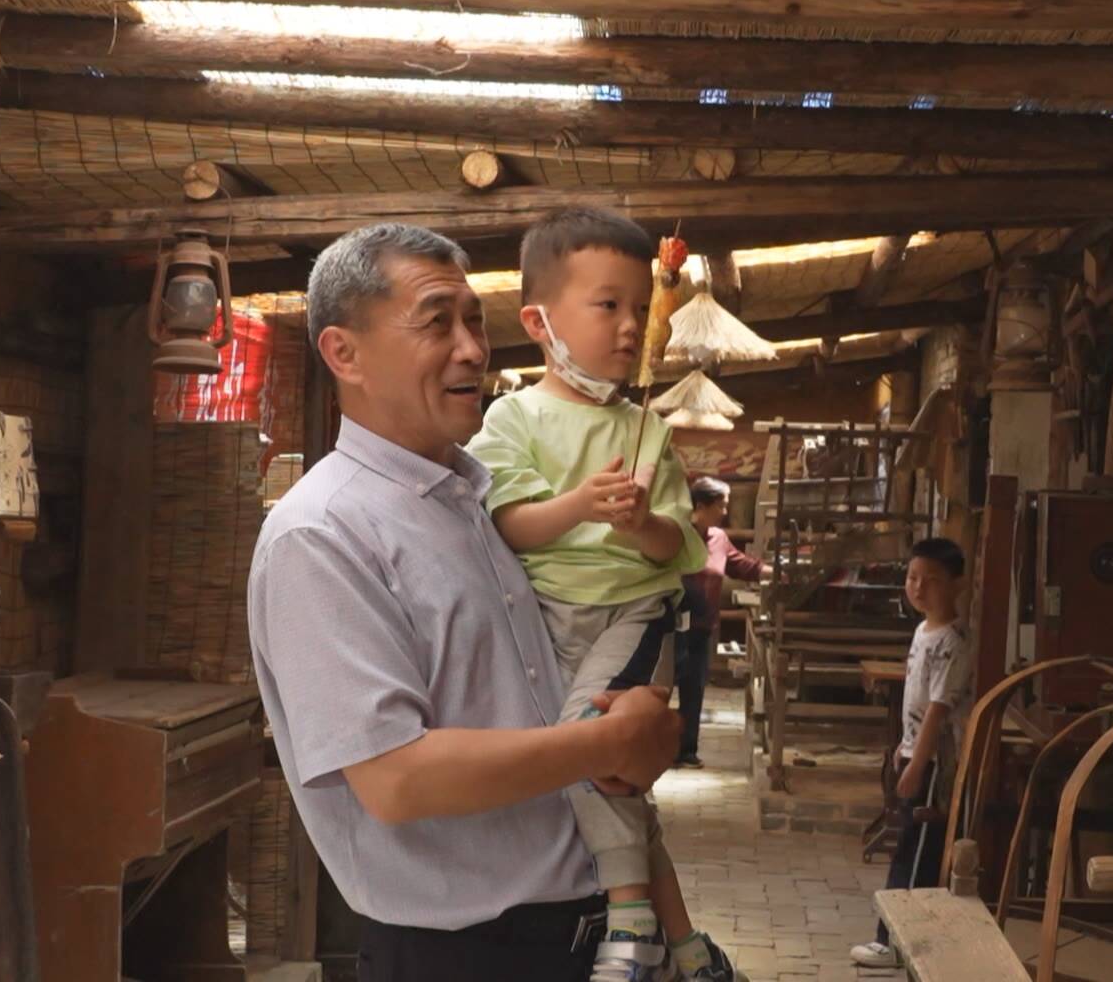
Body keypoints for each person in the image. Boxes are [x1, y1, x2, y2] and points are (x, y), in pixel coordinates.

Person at [247, 223, 683, 982]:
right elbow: (396, 778)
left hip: (583, 934)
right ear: (344, 354)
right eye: (436, 322)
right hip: (463, 955)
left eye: (476, 322)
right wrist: (610, 743)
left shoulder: (478, 503)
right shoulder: (322, 533)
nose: (474, 350)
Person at [468, 208, 743, 982]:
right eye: (608, 305)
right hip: (547, 622)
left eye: (640, 308)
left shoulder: (648, 430)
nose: (631, 327)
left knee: (592, 752)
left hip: (633, 616)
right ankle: (688, 946)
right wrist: (582, 504)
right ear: (539, 322)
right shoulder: (510, 418)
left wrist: (642, 523)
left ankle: (631, 921)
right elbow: (511, 523)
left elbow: (677, 548)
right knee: (609, 775)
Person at [850, 538, 975, 970]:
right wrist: (905, 751)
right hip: (914, 752)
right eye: (912, 578)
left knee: (918, 854)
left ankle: (898, 943)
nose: (919, 588)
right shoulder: (924, 631)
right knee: (905, 846)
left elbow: (938, 710)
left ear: (958, 584)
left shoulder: (954, 641)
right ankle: (893, 937)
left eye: (932, 580)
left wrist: (919, 763)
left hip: (935, 761)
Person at [676, 476, 764, 768]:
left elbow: (740, 565)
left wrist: (772, 571)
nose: (725, 512)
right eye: (721, 506)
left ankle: (686, 750)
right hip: (670, 625)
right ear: (701, 506)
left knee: (694, 689)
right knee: (658, 689)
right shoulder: (677, 534)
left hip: (701, 626)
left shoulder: (718, 538)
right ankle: (648, 750)